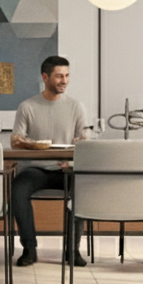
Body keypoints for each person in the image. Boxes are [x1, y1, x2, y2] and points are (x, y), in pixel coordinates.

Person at [10, 55, 88, 267]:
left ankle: (72, 250)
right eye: (59, 76)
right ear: (45, 77)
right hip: (35, 170)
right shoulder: (27, 106)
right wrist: (31, 144)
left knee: (82, 189)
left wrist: (81, 142)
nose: (64, 80)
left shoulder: (76, 107)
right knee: (18, 189)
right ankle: (29, 248)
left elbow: (85, 141)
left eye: (67, 75)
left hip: (67, 170)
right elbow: (16, 141)